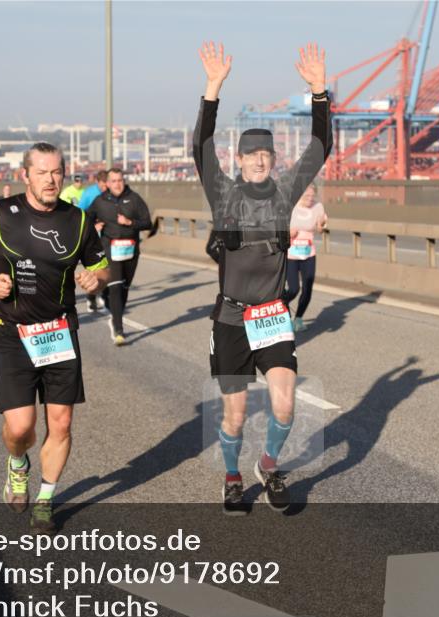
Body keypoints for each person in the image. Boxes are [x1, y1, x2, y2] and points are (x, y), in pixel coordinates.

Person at [194, 41, 331, 515]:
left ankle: (268, 465)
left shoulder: (287, 191)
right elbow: (200, 146)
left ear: (274, 160)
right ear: (238, 160)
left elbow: (321, 146)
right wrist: (213, 88)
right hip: (231, 319)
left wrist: (318, 91)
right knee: (233, 416)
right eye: (249, 154)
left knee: (285, 404)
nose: (257, 160)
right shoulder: (223, 195)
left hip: (272, 316)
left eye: (264, 155)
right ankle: (233, 476)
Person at [0, 142, 109, 533]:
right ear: (25, 175)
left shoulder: (76, 220)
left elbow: (102, 266)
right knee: (22, 428)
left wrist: (96, 280)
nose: (51, 179)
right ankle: (17, 463)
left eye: (57, 171)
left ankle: (46, 497)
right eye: (42, 172)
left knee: (60, 423)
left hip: (59, 332)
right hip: (11, 331)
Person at [86, 168, 152, 345]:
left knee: (124, 288)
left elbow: (148, 223)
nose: (117, 184)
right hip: (110, 250)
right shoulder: (100, 201)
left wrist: (130, 222)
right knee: (115, 286)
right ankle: (119, 329)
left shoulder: (134, 198)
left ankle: (115, 315)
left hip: (131, 251)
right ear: (106, 183)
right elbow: (86, 220)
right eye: (113, 181)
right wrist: (94, 227)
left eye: (120, 180)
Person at [282, 184, 327, 332]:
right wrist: (288, 233)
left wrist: (321, 227)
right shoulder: (290, 207)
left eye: (312, 196)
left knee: (308, 289)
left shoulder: (318, 207)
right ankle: (280, 305)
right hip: (291, 254)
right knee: (294, 289)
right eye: (306, 196)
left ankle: (298, 320)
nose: (310, 199)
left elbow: (321, 227)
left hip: (308, 253)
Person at [77, 170, 109, 313]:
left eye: (106, 185)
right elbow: (80, 213)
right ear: (98, 182)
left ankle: (103, 292)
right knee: (95, 268)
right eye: (103, 185)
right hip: (93, 234)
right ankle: (91, 297)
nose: (105, 188)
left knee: (108, 267)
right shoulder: (89, 193)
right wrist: (92, 226)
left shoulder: (112, 193)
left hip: (108, 235)